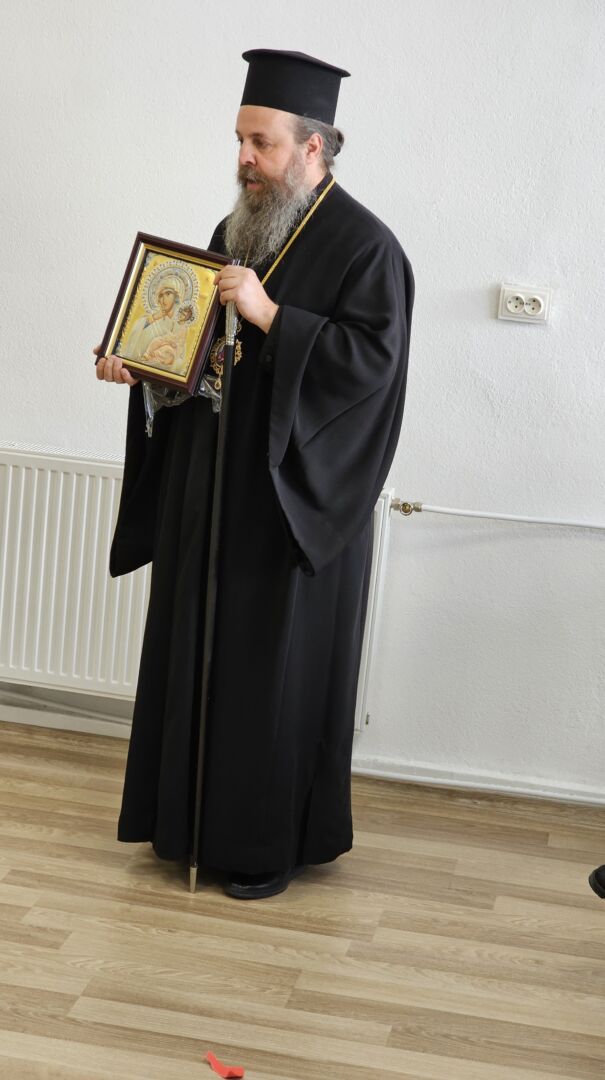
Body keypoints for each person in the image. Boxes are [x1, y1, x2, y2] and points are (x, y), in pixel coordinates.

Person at [95, 49, 414, 900]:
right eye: (239, 140)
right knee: (198, 657)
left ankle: (266, 848)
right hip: (208, 491)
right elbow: (200, 361)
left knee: (270, 678)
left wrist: (273, 315)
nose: (243, 159)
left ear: (313, 147)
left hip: (290, 507)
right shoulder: (232, 232)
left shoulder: (367, 247)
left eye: (261, 143)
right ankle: (185, 827)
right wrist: (146, 372)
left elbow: (371, 373)